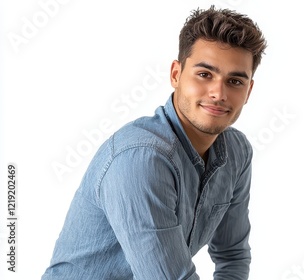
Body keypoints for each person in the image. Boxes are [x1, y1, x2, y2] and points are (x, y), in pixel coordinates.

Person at [42, 5, 266, 279]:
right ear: (176, 74)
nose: (218, 93)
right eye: (204, 75)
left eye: (234, 81)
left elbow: (233, 255)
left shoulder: (236, 152)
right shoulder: (142, 158)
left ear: (249, 91)